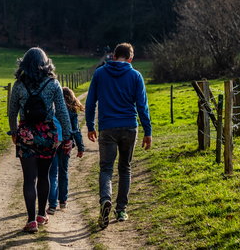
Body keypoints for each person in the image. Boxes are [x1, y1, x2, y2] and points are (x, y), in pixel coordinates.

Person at [85, 43, 152, 229]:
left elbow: (90, 102)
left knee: (106, 169)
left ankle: (105, 200)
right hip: (130, 127)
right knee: (125, 168)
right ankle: (121, 209)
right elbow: (142, 106)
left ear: (114, 56)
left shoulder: (100, 73)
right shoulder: (136, 76)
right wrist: (148, 131)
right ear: (130, 58)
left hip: (107, 128)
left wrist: (90, 126)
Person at [8, 47, 72, 233]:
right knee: (44, 176)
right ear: (46, 64)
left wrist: (14, 131)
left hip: (26, 133)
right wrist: (67, 136)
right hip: (48, 135)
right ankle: (42, 214)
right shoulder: (53, 84)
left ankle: (30, 220)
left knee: (29, 178)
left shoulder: (19, 85)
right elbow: (62, 112)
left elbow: (11, 112)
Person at [47, 87, 85, 215]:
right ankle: (63, 201)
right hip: (66, 144)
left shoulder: (52, 107)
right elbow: (76, 130)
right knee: (63, 171)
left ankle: (52, 204)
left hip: (53, 142)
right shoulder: (71, 110)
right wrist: (80, 147)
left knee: (52, 174)